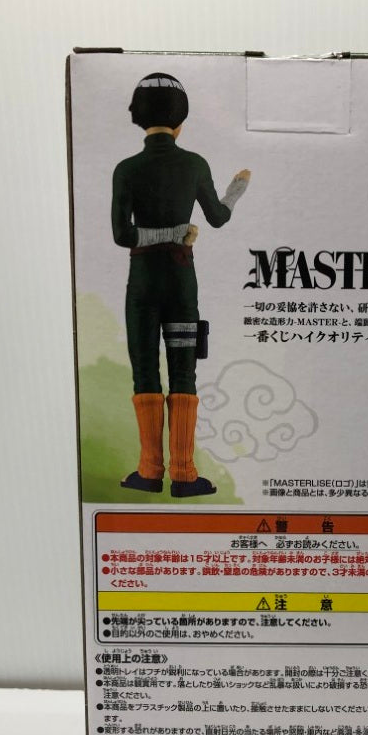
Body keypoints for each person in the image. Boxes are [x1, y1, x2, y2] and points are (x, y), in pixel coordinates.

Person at [111, 73, 250, 497]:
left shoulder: (126, 169)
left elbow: (122, 235)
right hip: (181, 282)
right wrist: (236, 189)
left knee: (144, 370)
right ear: (181, 121)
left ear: (137, 116)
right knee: (184, 371)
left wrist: (160, 234)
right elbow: (218, 218)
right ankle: (185, 475)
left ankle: (149, 471)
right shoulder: (195, 165)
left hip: (142, 283)